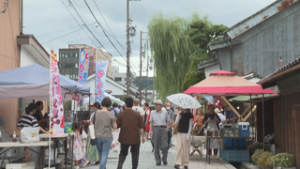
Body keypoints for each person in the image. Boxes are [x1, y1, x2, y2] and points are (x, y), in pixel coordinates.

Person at [116, 97, 145, 169]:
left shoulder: (122, 114)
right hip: (135, 137)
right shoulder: (137, 114)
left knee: (123, 152)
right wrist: (143, 136)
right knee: (135, 153)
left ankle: (120, 163)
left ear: (125, 104)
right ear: (133, 104)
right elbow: (141, 126)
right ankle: (134, 167)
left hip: (124, 136)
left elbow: (117, 125)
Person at [92, 98, 117, 169]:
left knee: (100, 153)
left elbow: (91, 124)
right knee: (104, 154)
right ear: (109, 105)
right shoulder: (111, 114)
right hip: (107, 136)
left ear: (102, 104)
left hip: (97, 136)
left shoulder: (95, 114)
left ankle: (103, 167)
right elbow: (115, 126)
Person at [149, 100, 170, 166]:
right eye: (155, 105)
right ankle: (158, 160)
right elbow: (151, 122)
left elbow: (167, 120)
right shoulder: (152, 113)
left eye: (157, 105)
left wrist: (167, 128)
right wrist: (150, 130)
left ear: (161, 106)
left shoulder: (165, 112)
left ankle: (164, 159)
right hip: (156, 128)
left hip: (163, 128)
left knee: (165, 145)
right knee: (156, 145)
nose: (156, 106)